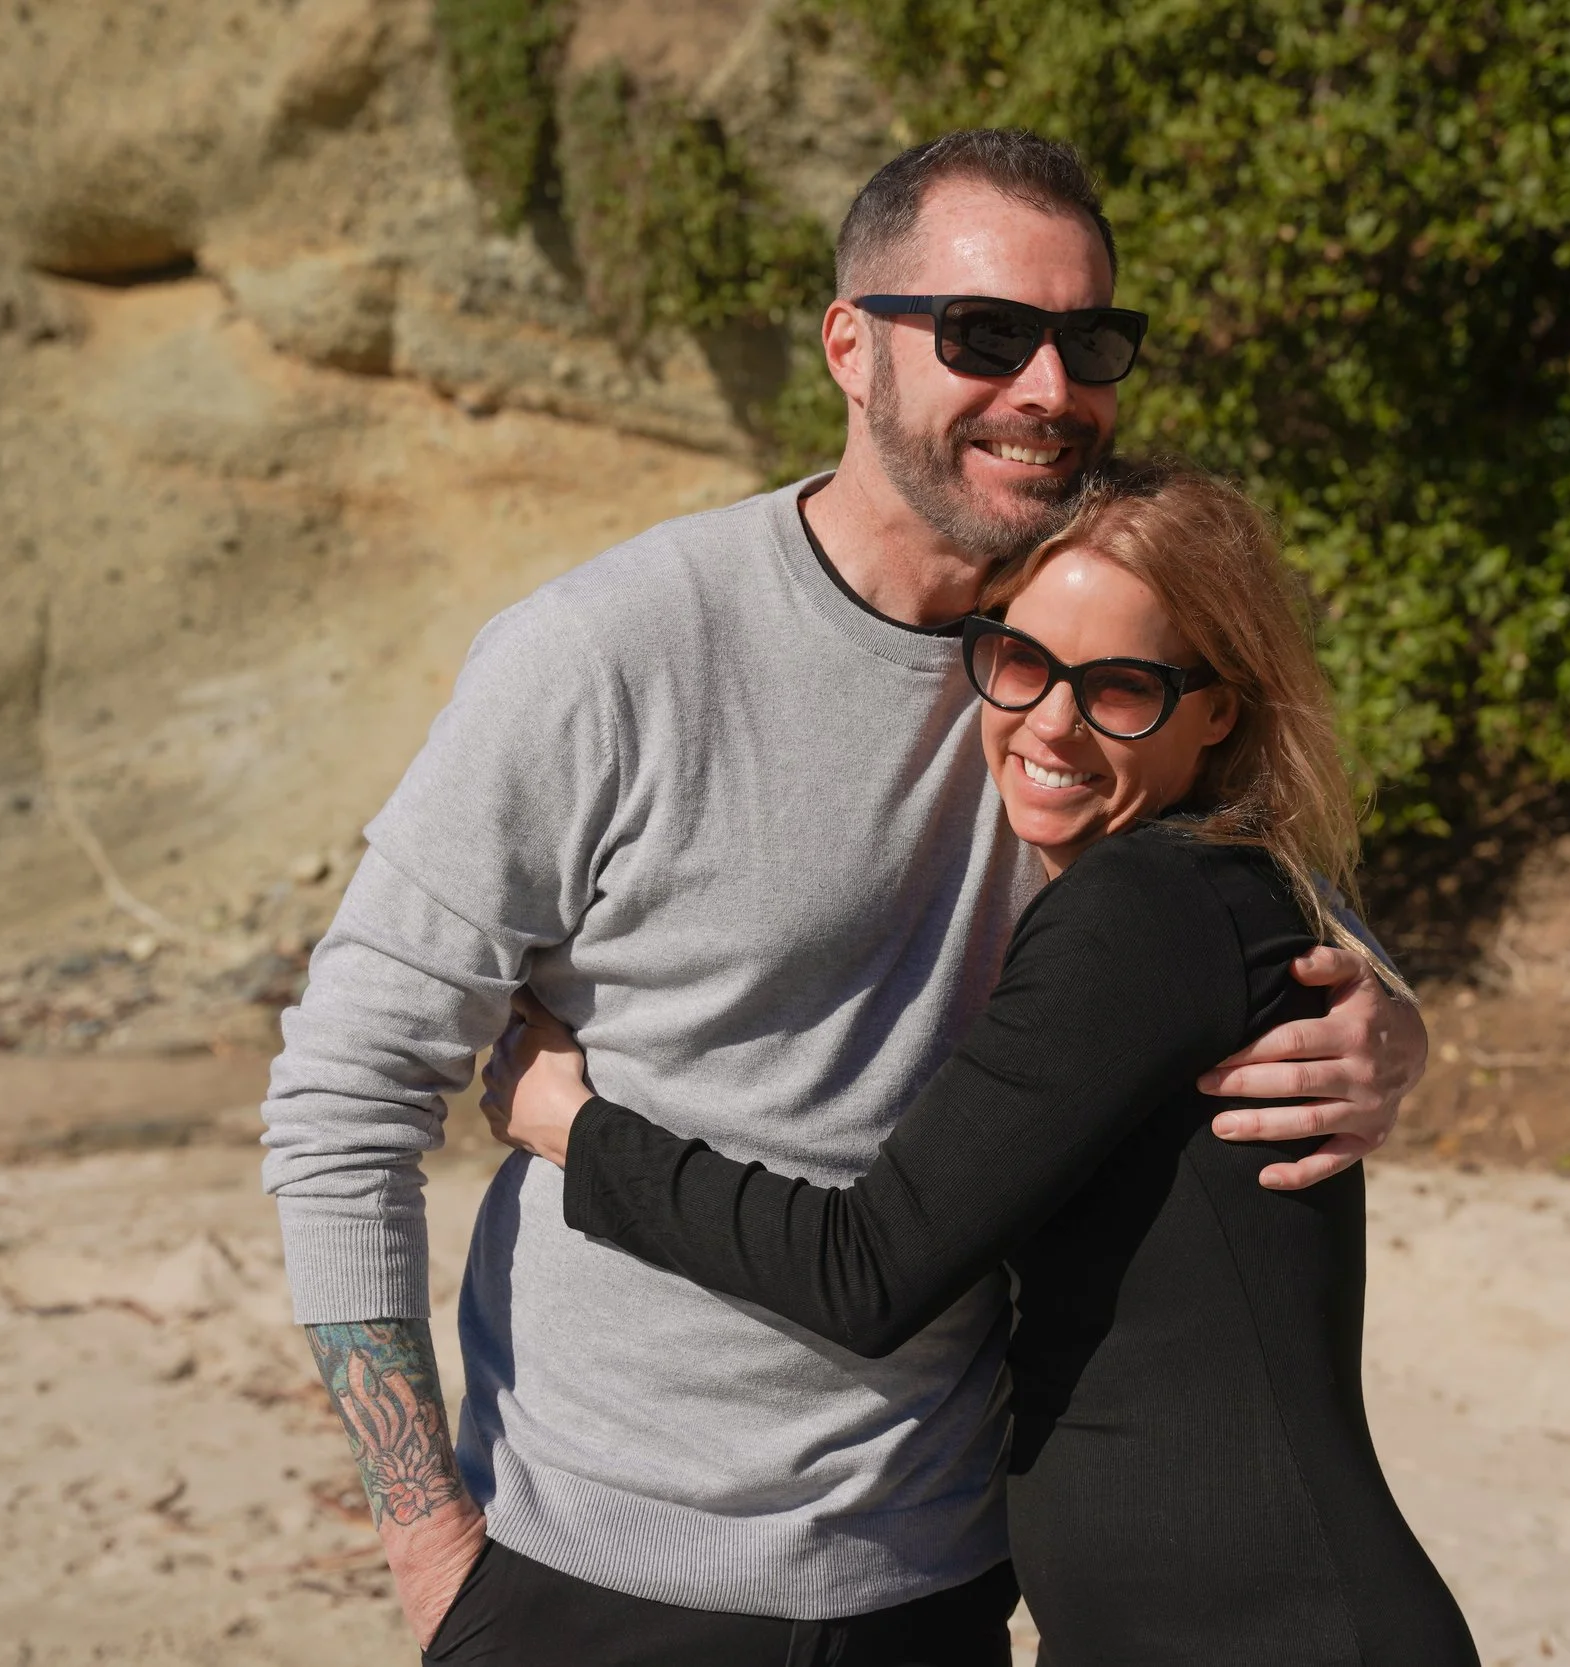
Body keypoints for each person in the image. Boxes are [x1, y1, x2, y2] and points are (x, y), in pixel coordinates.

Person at [261, 129, 1430, 1667]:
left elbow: (1255, 856)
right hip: (592, 1582)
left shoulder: (1071, 676)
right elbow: (345, 1087)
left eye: (1092, 343)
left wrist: (1390, 1009)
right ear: (849, 346)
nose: (1048, 387)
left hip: (936, 1588)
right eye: (987, 335)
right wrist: (430, 1549)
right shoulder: (607, 652)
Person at [485, 458, 1479, 1667]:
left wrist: (575, 1128)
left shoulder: (1143, 908)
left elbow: (868, 1269)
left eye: (1121, 686)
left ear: (1219, 708)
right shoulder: (1218, 890)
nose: (1051, 722)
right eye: (1020, 661)